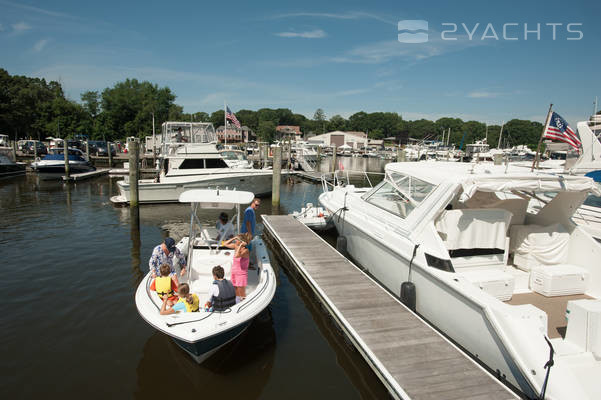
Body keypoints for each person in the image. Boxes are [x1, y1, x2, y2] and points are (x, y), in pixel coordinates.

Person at [223, 233, 252, 301]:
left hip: (241, 274)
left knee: (241, 292)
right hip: (234, 272)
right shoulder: (236, 246)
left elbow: (236, 255)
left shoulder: (246, 251)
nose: (236, 241)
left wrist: (241, 245)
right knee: (235, 289)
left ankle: (243, 303)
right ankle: (237, 302)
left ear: (242, 242)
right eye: (236, 240)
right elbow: (225, 244)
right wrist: (233, 238)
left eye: (237, 240)